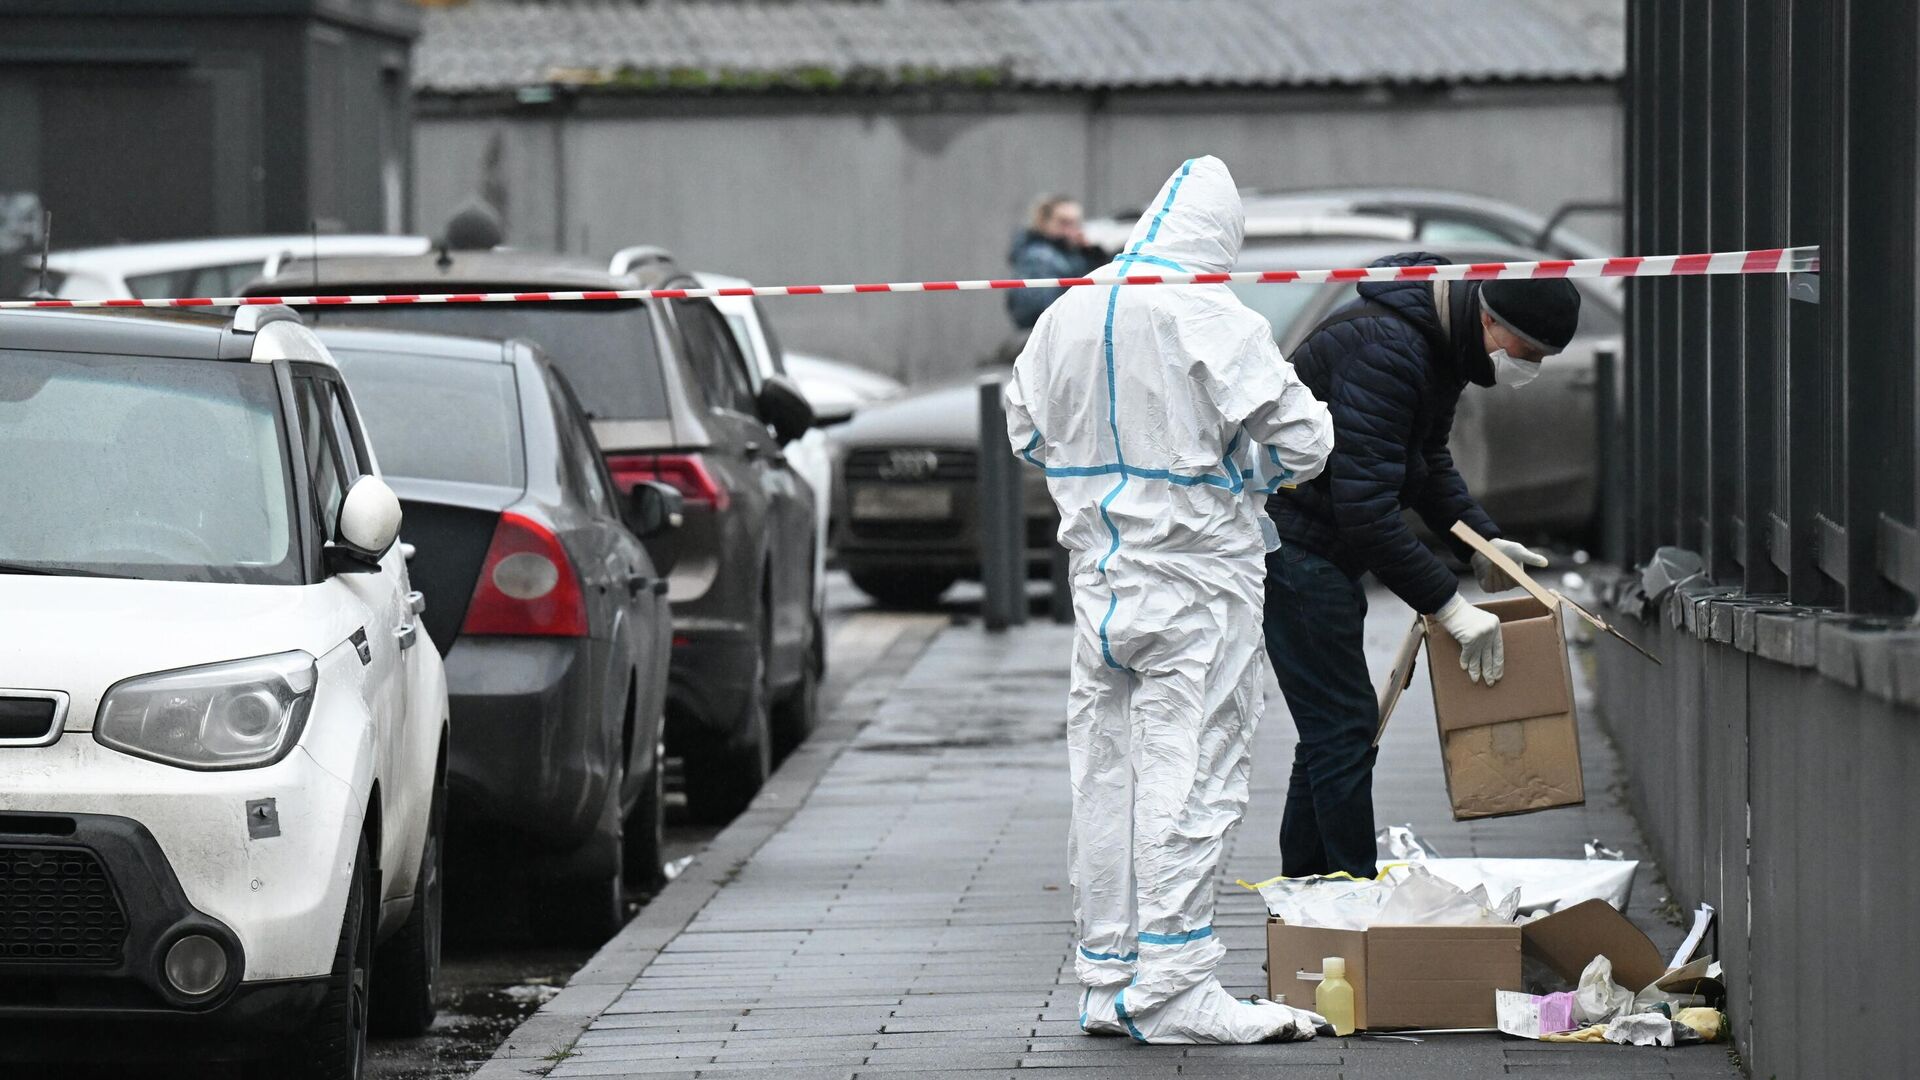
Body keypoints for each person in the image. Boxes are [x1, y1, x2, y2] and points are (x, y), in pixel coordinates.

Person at [1005, 156, 1335, 1045]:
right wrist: (1245, 471)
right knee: (1192, 777)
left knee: (1105, 778)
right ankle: (1176, 983)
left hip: (1101, 584)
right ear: (1222, 240)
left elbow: (1025, 429)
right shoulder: (1210, 312)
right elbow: (1307, 439)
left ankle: (1108, 976)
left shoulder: (1070, 308)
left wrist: (1096, 475)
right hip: (1198, 582)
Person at [1262, 253, 1582, 880]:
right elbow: (1366, 508)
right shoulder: (1387, 350)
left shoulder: (1440, 344)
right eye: (1528, 353)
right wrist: (1447, 604)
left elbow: (1426, 460)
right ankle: (1349, 899)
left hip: (1319, 543)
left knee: (1334, 729)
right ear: (1490, 320)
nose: (1529, 369)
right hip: (1293, 544)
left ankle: (1307, 894)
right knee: (1343, 728)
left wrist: (1483, 543)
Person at [1006, 194, 1104, 331]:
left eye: (1076, 223)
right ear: (1043, 223)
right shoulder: (1040, 257)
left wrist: (1092, 255)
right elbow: (1043, 311)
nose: (1072, 230)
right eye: (1064, 222)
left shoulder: (1071, 254)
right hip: (1049, 334)